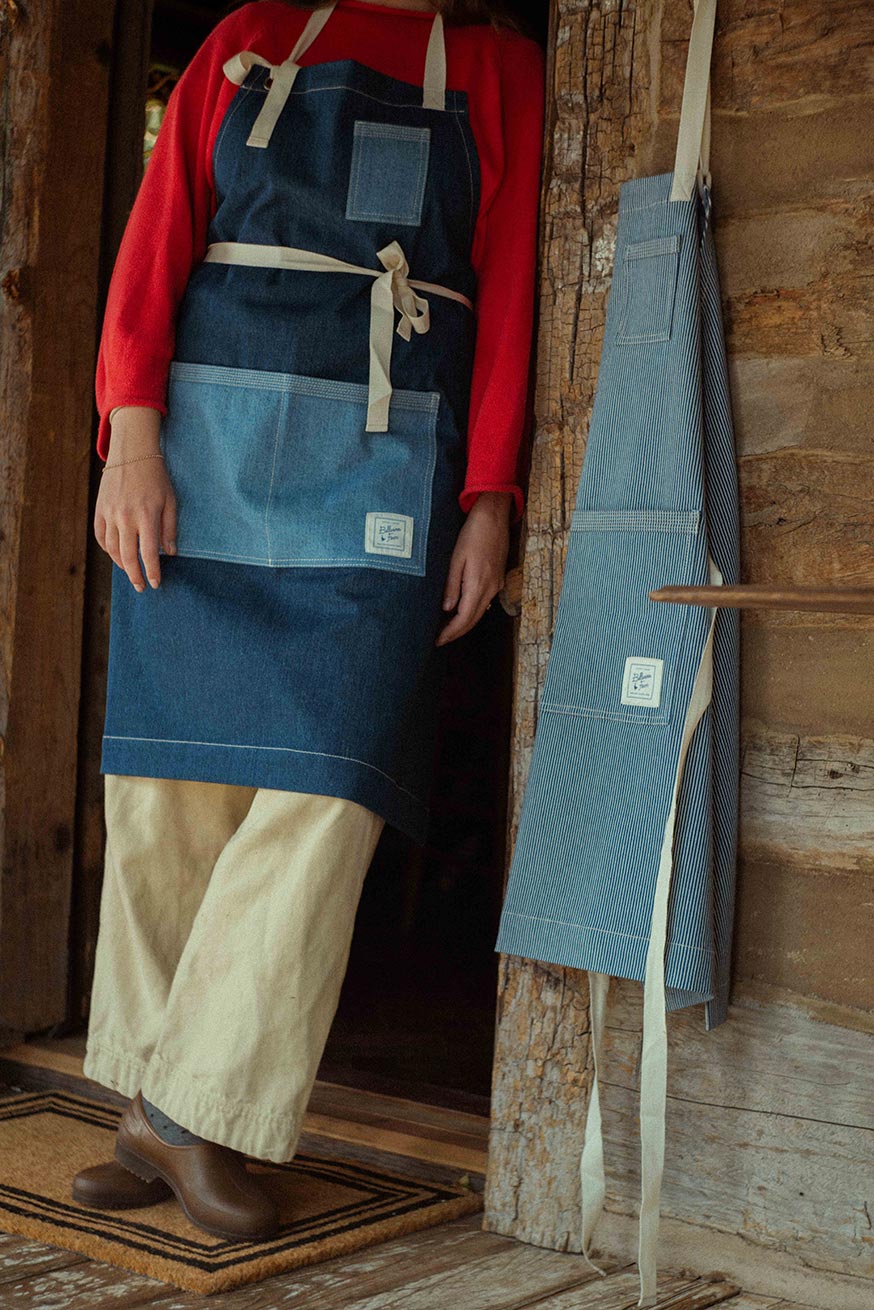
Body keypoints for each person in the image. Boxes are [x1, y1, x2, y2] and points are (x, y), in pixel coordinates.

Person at [72, 0, 545, 1240]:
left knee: (333, 783)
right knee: (171, 782)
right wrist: (130, 438)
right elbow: (157, 237)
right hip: (202, 451)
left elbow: (511, 294)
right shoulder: (255, 29)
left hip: (385, 458)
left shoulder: (495, 70)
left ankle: (190, 1107)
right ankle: (153, 1106)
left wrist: (489, 497)